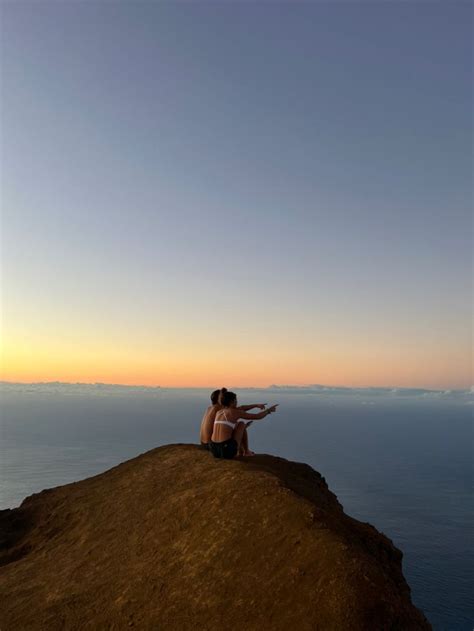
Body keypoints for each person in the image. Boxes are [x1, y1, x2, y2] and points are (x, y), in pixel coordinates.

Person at [210, 390, 278, 459]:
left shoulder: (219, 412)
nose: (237, 402)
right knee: (241, 424)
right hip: (225, 451)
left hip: (214, 449)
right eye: (235, 400)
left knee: (236, 425)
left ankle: (244, 451)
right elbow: (257, 416)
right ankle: (246, 451)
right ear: (231, 402)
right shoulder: (234, 412)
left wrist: (256, 405)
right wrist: (268, 410)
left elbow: (242, 408)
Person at [199, 388, 266, 455]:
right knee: (240, 425)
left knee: (235, 426)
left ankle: (243, 450)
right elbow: (239, 410)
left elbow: (239, 409)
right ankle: (245, 451)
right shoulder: (219, 409)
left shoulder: (210, 408)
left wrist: (256, 405)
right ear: (218, 399)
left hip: (204, 443)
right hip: (211, 445)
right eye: (222, 396)